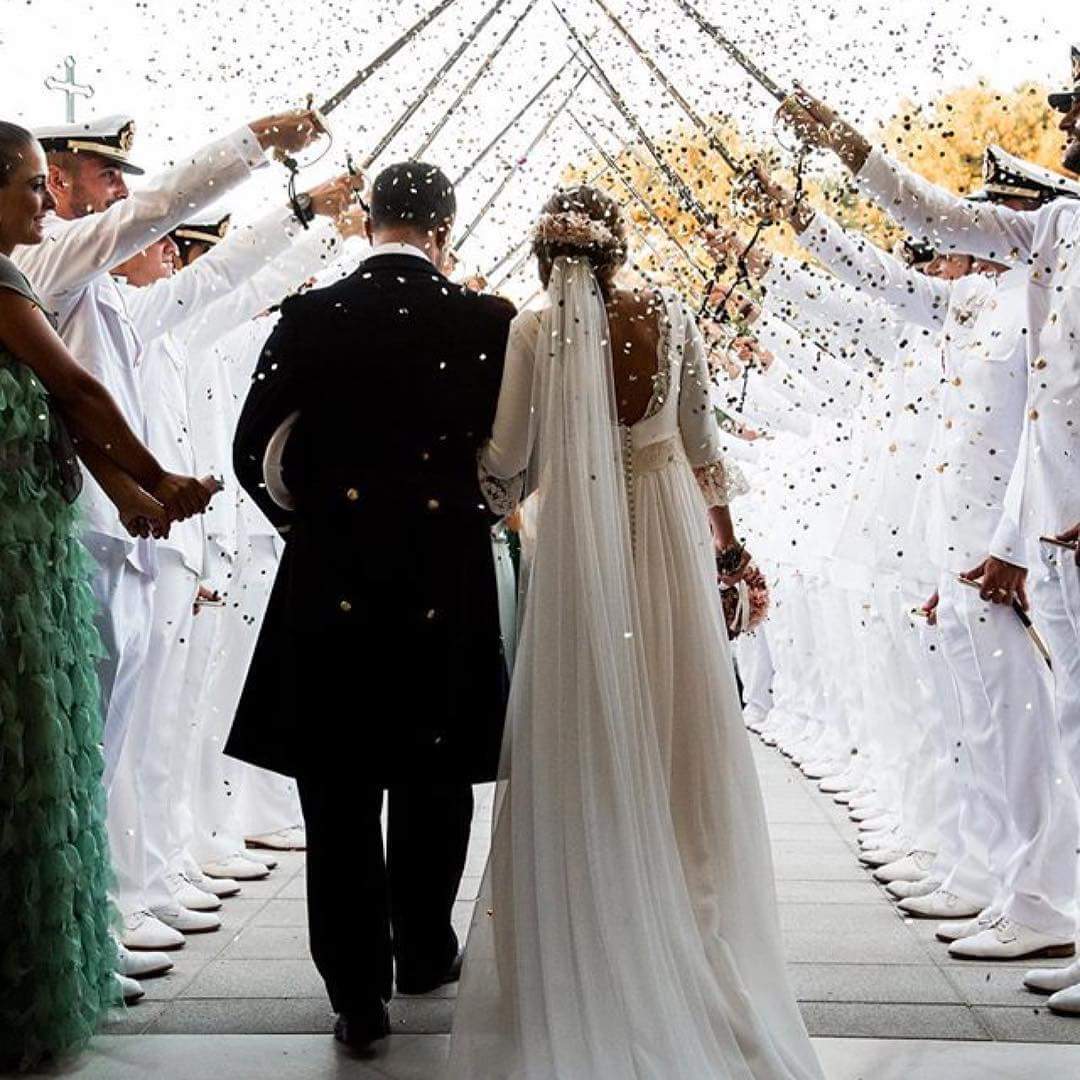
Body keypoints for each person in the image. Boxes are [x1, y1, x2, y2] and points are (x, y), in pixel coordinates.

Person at [447, 185, 823, 1079]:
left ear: (546, 256)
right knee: (676, 724)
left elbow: (507, 462)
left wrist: (477, 485)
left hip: (583, 545)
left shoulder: (535, 328)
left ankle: (604, 913)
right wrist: (729, 550)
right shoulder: (674, 314)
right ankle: (689, 916)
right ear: (616, 248)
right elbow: (703, 444)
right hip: (664, 535)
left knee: (588, 721)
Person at [12, 107, 324, 955]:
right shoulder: (51, 259)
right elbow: (83, 397)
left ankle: (112, 905)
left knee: (118, 741)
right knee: (93, 745)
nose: (122, 191)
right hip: (86, 534)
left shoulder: (107, 290)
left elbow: (220, 283)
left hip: (131, 533)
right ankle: (101, 913)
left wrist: (309, 220)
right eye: (105, 172)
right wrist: (255, 145)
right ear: (61, 178)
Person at [227, 161, 517, 1051]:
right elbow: (513, 456)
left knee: (339, 787)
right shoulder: (488, 322)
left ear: (367, 224)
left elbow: (253, 451)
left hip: (334, 577)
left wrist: (310, 525)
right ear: (445, 230)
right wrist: (470, 518)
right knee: (435, 775)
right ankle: (423, 949)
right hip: (444, 573)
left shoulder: (311, 315)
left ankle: (357, 994)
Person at [0, 121, 210, 1067]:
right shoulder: (11, 279)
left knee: (59, 752)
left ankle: (60, 950)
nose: (42, 202)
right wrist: (157, 479)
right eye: (30, 185)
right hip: (19, 557)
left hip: (46, 535)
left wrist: (133, 492)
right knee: (40, 755)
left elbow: (63, 417)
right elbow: (79, 393)